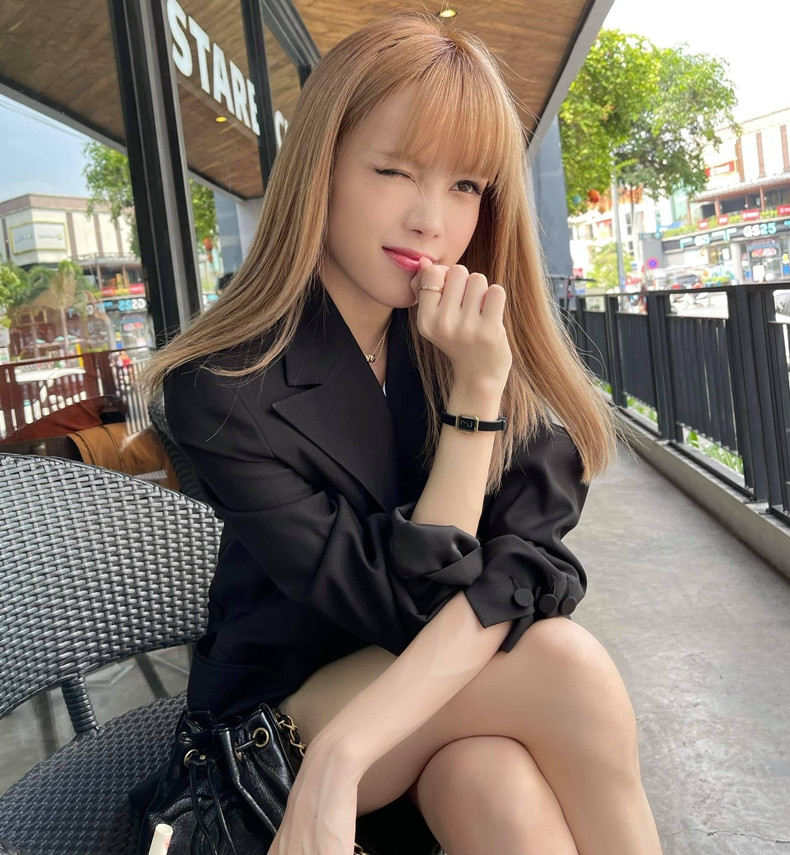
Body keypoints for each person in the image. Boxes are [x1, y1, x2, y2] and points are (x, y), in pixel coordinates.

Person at [142, 12, 662, 855]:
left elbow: (527, 568)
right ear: (321, 169)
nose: (431, 220)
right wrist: (473, 410)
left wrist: (349, 751)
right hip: (272, 738)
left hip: (384, 731)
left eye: (466, 186)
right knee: (564, 666)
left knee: (490, 780)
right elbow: (407, 605)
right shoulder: (224, 385)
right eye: (393, 170)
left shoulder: (471, 341)